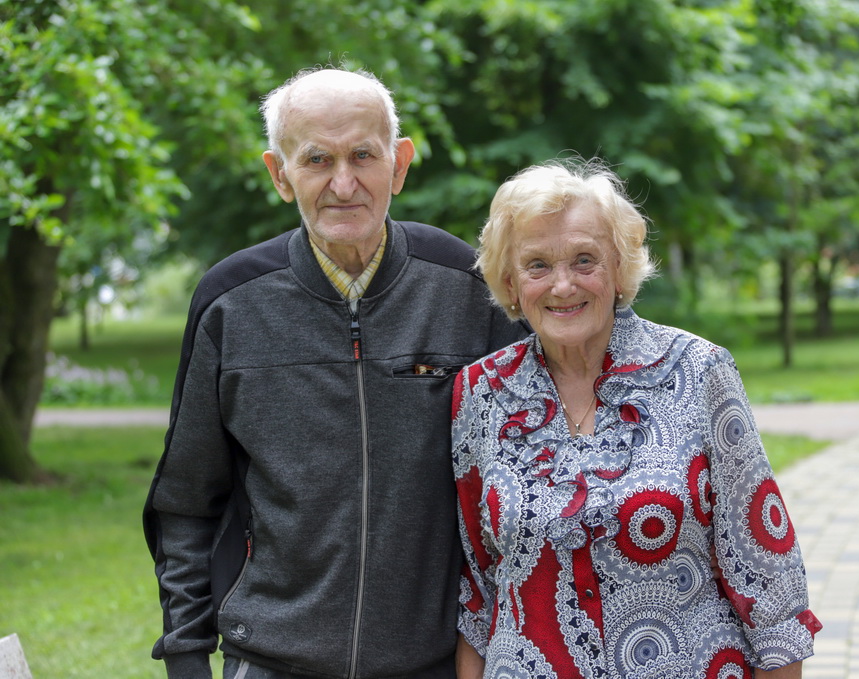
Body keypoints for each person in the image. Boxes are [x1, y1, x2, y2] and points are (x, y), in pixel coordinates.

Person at [142, 67, 526, 679]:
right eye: (317, 159)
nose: (342, 183)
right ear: (279, 173)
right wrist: (188, 659)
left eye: (363, 156)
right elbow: (185, 504)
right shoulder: (231, 303)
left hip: (434, 663)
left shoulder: (468, 291)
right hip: (269, 661)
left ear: (398, 165)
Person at [451, 159, 822, 679]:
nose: (563, 286)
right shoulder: (480, 392)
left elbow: (771, 581)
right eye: (538, 265)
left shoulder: (698, 371)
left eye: (585, 260)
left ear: (620, 270)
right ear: (510, 283)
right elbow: (479, 590)